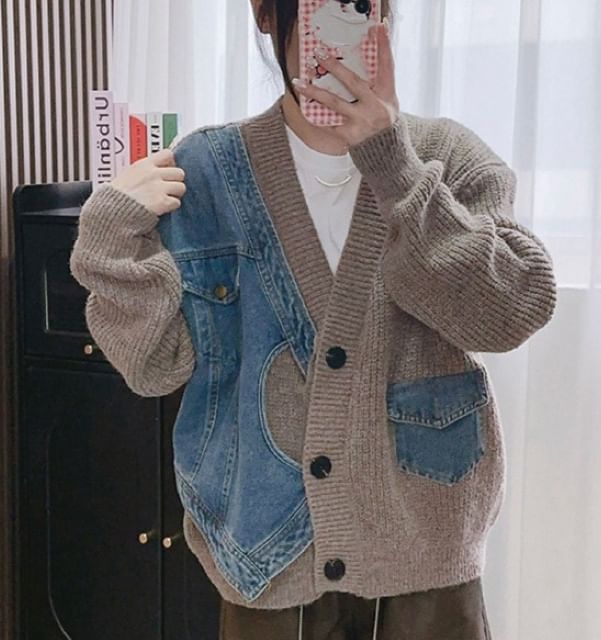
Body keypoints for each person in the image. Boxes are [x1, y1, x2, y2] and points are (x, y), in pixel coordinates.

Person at [69, 1, 558, 638]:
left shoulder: (449, 158)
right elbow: (155, 367)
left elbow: (510, 313)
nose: (333, 32)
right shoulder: (207, 172)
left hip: (423, 551)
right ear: (265, 14)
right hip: (265, 554)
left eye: (356, 5)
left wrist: (394, 165)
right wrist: (109, 240)